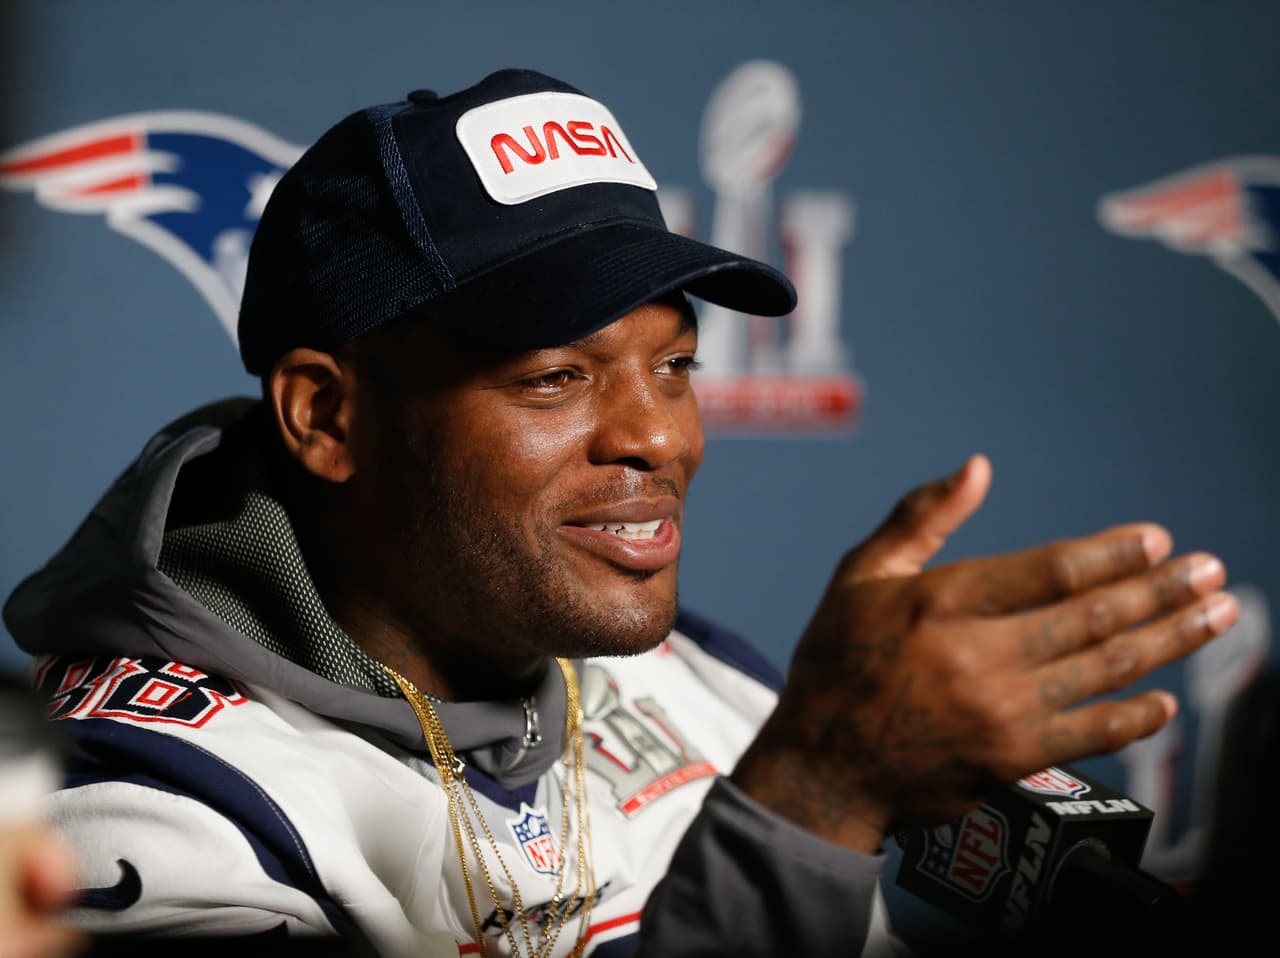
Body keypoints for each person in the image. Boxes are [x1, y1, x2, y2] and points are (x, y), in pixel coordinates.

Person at [2, 68, 1237, 957]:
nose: (655, 435)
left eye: (674, 365)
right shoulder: (146, 809)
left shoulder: (682, 677)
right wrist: (803, 808)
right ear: (330, 418)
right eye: (555, 377)